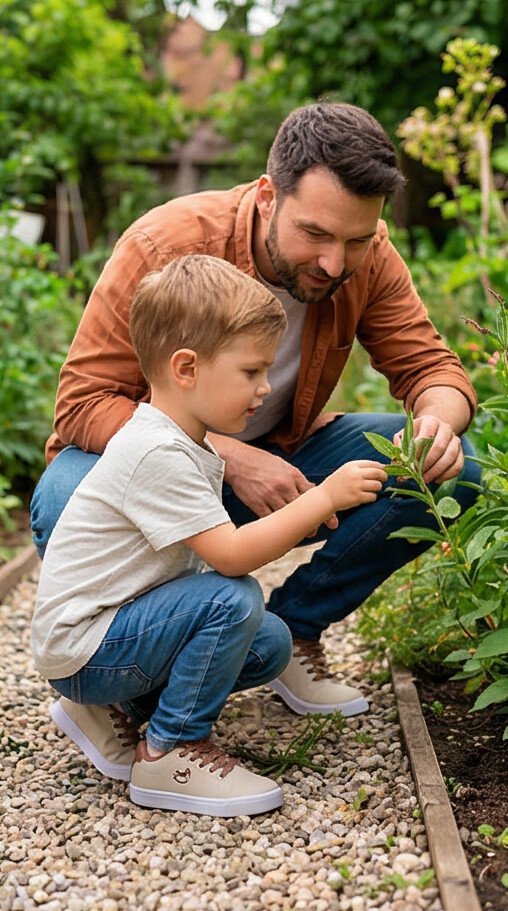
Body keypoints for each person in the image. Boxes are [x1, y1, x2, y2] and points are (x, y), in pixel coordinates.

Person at [31, 101, 480, 734]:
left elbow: (431, 368)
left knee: (458, 470)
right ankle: (116, 666)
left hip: (284, 458)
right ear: (268, 195)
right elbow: (83, 403)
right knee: (64, 494)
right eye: (315, 234)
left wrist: (437, 422)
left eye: (356, 240)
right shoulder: (168, 244)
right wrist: (231, 458)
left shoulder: (368, 255)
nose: (334, 262)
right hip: (160, 469)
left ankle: (291, 633)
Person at [31, 254, 389, 816]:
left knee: (267, 642)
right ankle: (171, 750)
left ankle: (125, 708)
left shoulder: (185, 440)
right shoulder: (156, 452)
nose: (265, 388)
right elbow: (229, 557)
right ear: (187, 368)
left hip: (112, 635)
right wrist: (322, 498)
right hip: (85, 649)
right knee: (234, 597)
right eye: (251, 372)